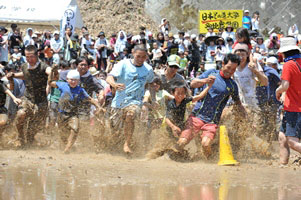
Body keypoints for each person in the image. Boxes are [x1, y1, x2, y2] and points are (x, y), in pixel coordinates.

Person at [177, 54, 247, 158]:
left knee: (205, 144)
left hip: (212, 121)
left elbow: (238, 104)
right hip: (197, 116)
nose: (230, 71)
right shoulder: (211, 73)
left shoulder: (232, 85)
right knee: (182, 142)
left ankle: (208, 161)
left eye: (233, 69)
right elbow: (193, 83)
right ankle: (176, 156)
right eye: (228, 67)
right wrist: (205, 81)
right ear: (222, 64)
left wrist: (246, 119)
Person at [146, 80, 213, 159]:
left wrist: (209, 86)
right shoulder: (171, 104)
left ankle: (181, 155)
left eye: (183, 93)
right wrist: (173, 127)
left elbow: (199, 96)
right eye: (178, 93)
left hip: (179, 127)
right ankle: (151, 157)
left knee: (177, 145)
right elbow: (167, 118)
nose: (180, 95)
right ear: (173, 93)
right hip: (168, 128)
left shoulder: (184, 101)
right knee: (162, 145)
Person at [106, 44, 155, 153]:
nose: (141, 59)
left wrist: (154, 99)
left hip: (135, 101)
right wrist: (114, 85)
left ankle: (127, 144)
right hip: (119, 102)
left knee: (130, 115)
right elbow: (109, 77)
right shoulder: (123, 64)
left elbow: (151, 84)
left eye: (143, 57)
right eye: (138, 56)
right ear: (133, 53)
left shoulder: (148, 69)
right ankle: (115, 144)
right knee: (115, 130)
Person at [6, 45, 52, 147]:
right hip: (28, 98)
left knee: (33, 128)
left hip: (41, 101)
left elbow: (49, 71)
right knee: (20, 114)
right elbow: (25, 75)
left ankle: (30, 139)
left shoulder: (43, 66)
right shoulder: (24, 66)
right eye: (27, 57)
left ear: (37, 55)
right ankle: (20, 136)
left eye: (31, 57)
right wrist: (13, 75)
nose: (29, 59)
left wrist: (53, 73)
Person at [48, 69, 101, 153]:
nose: (73, 82)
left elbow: (90, 99)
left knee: (75, 129)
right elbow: (50, 83)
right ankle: (67, 146)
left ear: (78, 81)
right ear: (67, 79)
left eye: (75, 80)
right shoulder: (62, 85)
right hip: (61, 114)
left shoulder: (80, 90)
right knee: (63, 134)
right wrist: (52, 72)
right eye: (71, 80)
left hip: (73, 114)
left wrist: (98, 107)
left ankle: (67, 149)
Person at [275, 37, 301, 165]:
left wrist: (277, 91)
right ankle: (283, 165)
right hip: (293, 106)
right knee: (282, 137)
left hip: (294, 108)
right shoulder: (299, 62)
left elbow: (285, 86)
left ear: (284, 53)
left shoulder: (289, 64)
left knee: (292, 142)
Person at [233, 43, 268, 110]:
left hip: (252, 103)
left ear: (247, 55)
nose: (240, 58)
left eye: (243, 55)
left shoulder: (252, 65)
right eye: (238, 55)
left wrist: (255, 71)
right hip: (238, 104)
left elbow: (265, 82)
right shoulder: (233, 67)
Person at [256, 56, 281, 141]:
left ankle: (272, 137)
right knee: (261, 119)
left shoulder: (271, 71)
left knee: (272, 118)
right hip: (259, 100)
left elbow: (279, 83)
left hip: (272, 100)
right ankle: (263, 137)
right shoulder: (253, 72)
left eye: (261, 62)